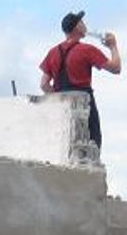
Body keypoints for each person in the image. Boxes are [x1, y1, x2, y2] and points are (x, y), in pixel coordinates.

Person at [38, 10, 120, 149]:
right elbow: (116, 68)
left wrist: (59, 98)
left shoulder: (53, 52)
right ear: (77, 27)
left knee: (64, 145)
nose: (84, 24)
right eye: (81, 22)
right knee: (93, 142)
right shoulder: (87, 50)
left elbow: (44, 84)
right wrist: (113, 46)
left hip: (62, 105)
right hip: (84, 103)